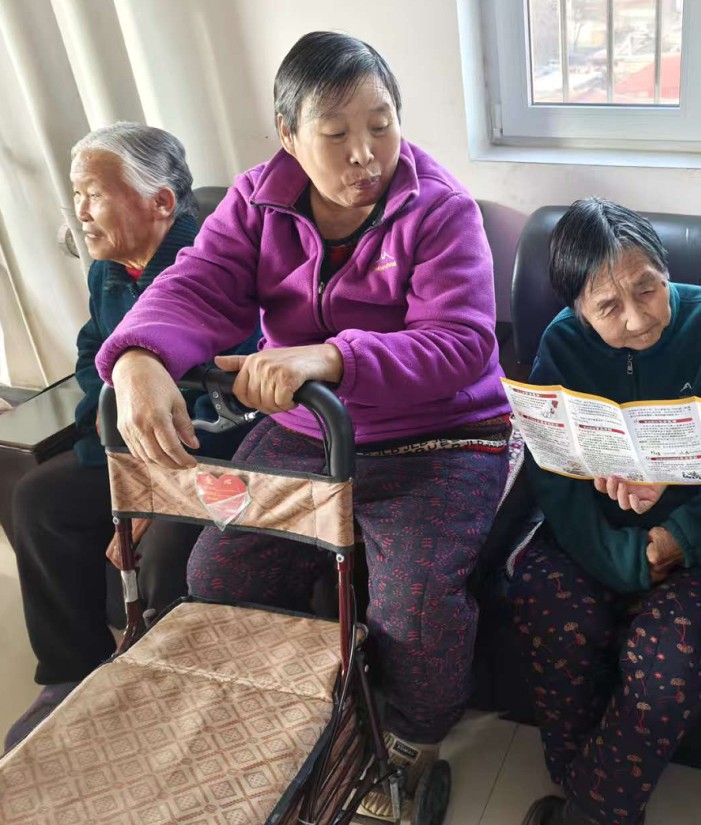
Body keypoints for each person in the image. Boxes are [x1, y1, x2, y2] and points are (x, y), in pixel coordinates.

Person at [94, 33, 511, 820]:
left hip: (440, 437)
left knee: (416, 602)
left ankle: (412, 738)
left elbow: (460, 342)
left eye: (381, 124)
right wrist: (138, 356)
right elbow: (197, 284)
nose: (365, 153)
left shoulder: (440, 209)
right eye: (336, 132)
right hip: (311, 431)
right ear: (288, 134)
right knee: (219, 572)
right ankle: (284, 712)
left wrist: (331, 356)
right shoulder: (256, 202)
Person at [516, 199, 701, 825]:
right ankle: (589, 789)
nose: (636, 318)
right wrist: (627, 560)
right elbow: (553, 474)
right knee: (548, 606)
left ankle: (589, 811)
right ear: (577, 309)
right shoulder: (562, 345)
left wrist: (676, 539)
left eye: (647, 289)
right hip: (595, 538)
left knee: (669, 659)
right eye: (608, 307)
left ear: (666, 270)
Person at [5, 122, 259, 753]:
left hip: (209, 460)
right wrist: (114, 458)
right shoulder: (108, 269)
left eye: (93, 194)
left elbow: (227, 406)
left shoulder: (214, 267)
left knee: (169, 552)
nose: (80, 211)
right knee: (40, 499)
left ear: (161, 202)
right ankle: (69, 672)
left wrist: (150, 495)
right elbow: (92, 358)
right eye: (77, 194)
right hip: (130, 450)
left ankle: (168, 700)